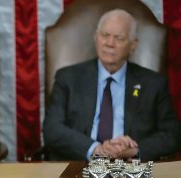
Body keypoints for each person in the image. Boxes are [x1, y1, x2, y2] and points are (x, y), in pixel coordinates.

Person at [43, 9, 181, 161]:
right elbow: (52, 129)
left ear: (133, 44)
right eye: (105, 35)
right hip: (79, 166)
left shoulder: (153, 84)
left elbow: (172, 134)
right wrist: (95, 148)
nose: (110, 43)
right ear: (96, 37)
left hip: (132, 171)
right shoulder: (68, 78)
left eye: (119, 38)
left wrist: (135, 150)